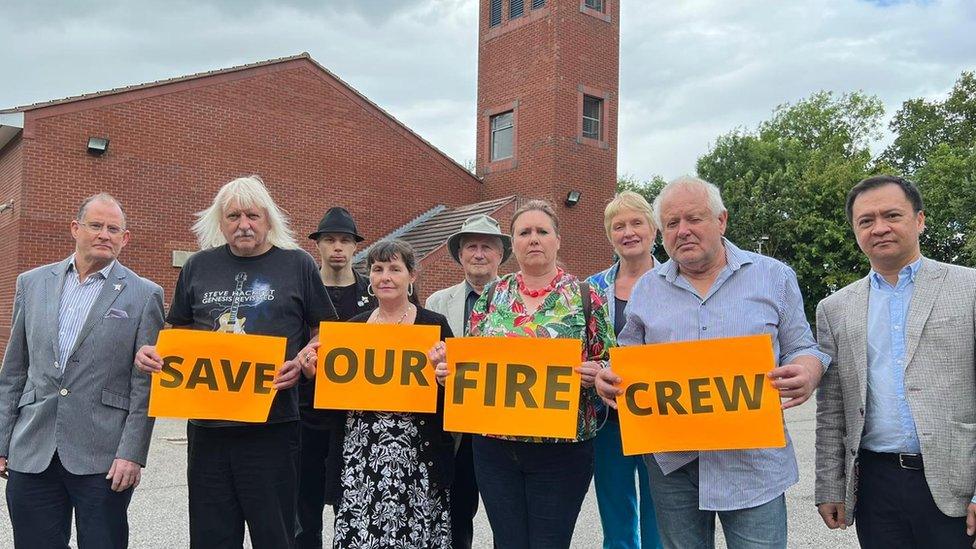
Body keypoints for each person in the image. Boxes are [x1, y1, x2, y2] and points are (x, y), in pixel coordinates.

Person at [596, 176, 828, 549]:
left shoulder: (774, 277)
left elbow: (804, 346)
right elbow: (626, 358)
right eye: (672, 223)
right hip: (674, 466)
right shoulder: (647, 288)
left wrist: (807, 370)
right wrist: (610, 377)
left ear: (721, 220)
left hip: (753, 464)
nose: (683, 231)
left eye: (694, 219)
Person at [134, 175, 336, 548]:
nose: (243, 224)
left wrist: (304, 357)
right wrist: (154, 351)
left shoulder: (297, 265)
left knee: (275, 535)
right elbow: (177, 327)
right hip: (209, 427)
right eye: (233, 216)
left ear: (268, 219)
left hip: (273, 425)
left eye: (252, 216)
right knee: (212, 535)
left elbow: (325, 330)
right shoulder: (198, 266)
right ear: (220, 221)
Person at [433, 199, 615, 548]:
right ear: (512, 244)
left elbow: (610, 362)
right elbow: (470, 361)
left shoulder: (586, 297)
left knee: (550, 542)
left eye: (542, 231)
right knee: (508, 541)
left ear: (557, 240)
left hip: (563, 451)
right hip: (495, 451)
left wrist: (600, 373)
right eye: (524, 232)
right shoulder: (490, 296)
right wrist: (448, 372)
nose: (533, 239)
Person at [814, 175, 976, 548]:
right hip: (875, 486)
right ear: (855, 230)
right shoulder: (835, 309)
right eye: (866, 221)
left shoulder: (967, 289)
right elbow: (832, 408)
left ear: (919, 220)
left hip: (955, 481)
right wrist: (829, 485)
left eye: (892, 215)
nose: (879, 228)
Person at [0, 193, 165, 548]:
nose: (105, 234)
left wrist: (132, 453)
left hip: (103, 457)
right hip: (32, 449)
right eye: (96, 226)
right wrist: (2, 440)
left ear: (125, 238)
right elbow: (14, 370)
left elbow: (145, 384)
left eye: (114, 229)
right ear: (75, 229)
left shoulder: (144, 294)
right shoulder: (32, 283)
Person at [311, 238, 456, 548]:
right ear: (369, 278)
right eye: (377, 269)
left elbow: (454, 393)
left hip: (417, 456)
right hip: (361, 457)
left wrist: (444, 375)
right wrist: (315, 372)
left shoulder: (435, 325)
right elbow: (331, 398)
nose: (385, 277)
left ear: (412, 277)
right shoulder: (352, 328)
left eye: (395, 268)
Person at [425, 213, 511, 549]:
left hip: (505, 426)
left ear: (500, 254)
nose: (478, 254)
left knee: (507, 516)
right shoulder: (437, 303)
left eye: (487, 247)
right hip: (456, 430)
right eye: (471, 247)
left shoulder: (521, 302)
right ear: (460, 255)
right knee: (456, 516)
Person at [586, 191, 662, 549]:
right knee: (615, 516)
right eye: (619, 226)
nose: (628, 232)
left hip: (662, 416)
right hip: (607, 420)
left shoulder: (678, 281)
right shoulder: (591, 289)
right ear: (609, 235)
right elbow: (582, 345)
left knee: (660, 514)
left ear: (653, 229)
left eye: (636, 223)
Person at [296, 206, 373, 549]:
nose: (337, 247)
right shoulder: (300, 289)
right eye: (330, 240)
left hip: (358, 417)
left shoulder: (374, 291)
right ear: (318, 245)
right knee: (303, 511)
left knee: (354, 507)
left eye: (345, 240)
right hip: (307, 413)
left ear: (356, 246)